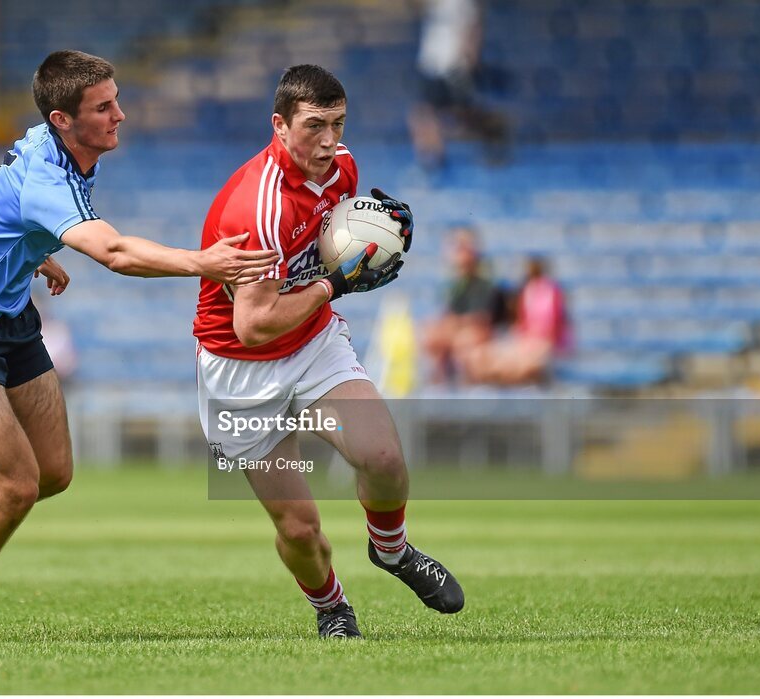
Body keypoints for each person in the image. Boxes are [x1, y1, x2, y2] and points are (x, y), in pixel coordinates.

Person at [0, 50, 278, 643]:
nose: (120, 115)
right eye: (104, 107)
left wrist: (33, 246)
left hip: (9, 313)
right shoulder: (49, 173)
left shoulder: (54, 153)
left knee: (52, 472)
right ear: (61, 119)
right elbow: (115, 252)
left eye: (116, 100)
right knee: (16, 485)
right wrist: (204, 263)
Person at [194, 64, 464, 639]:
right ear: (279, 124)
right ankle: (332, 608)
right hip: (241, 374)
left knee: (384, 459)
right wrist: (335, 284)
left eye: (338, 123)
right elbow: (254, 325)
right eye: (315, 125)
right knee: (299, 529)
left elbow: (329, 241)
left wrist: (376, 238)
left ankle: (391, 552)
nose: (329, 140)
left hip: (314, 345)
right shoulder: (257, 208)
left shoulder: (341, 167)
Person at [409, 0, 508, 169]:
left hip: (453, 66)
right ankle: (432, 161)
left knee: (455, 117)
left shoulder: (462, 3)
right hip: (432, 65)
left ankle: (493, 131)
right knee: (423, 115)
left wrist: (468, 62)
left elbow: (473, 30)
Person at [460, 256, 571, 385]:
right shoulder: (526, 292)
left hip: (543, 344)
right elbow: (520, 323)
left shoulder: (551, 292)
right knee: (479, 357)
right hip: (526, 341)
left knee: (522, 366)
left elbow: (554, 326)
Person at [422, 226, 505, 383]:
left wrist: (454, 326)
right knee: (431, 336)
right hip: (459, 331)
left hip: (479, 335)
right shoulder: (454, 284)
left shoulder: (485, 283)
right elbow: (448, 314)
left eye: (462, 246)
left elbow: (482, 320)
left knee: (465, 343)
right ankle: (438, 388)